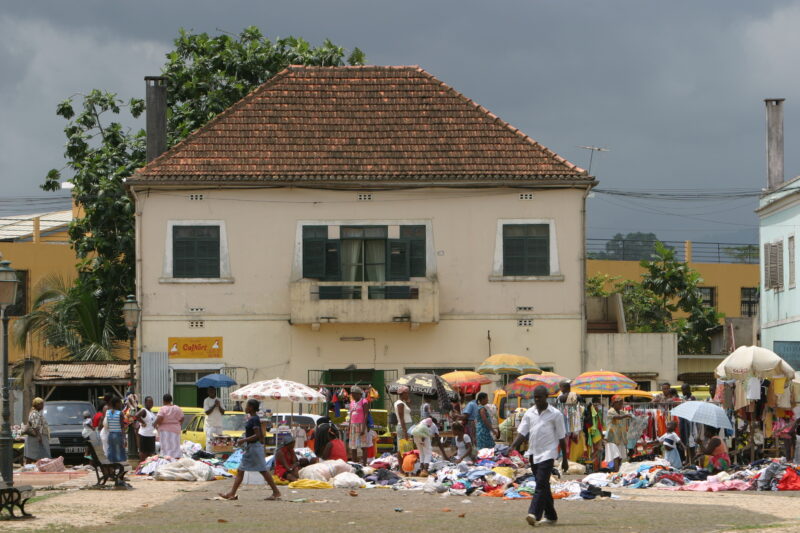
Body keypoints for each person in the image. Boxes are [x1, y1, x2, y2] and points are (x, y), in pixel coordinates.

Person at [512, 385, 568, 527]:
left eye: (540, 397)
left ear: (546, 397)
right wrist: (512, 446)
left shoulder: (556, 414)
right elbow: (522, 433)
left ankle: (534, 514)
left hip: (548, 454)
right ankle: (551, 515)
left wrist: (565, 459)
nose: (537, 400)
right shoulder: (529, 413)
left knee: (541, 484)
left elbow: (562, 438)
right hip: (533, 453)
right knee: (544, 486)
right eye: (535, 397)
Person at [219, 399, 281, 501]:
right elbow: (260, 435)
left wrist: (244, 440)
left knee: (262, 470)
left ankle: (276, 491)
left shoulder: (254, 419)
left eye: (247, 406)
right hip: (252, 448)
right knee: (242, 470)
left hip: (254, 448)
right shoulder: (253, 419)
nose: (245, 407)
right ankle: (232, 493)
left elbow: (257, 435)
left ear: (251, 407)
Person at [154, 393, 184, 458]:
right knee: (175, 447)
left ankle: (167, 460)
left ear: (163, 401)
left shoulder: (163, 408)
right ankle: (176, 460)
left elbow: (160, 418)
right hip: (176, 430)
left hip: (165, 431)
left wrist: (156, 424)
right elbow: (182, 418)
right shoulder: (177, 408)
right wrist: (179, 424)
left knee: (166, 448)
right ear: (171, 400)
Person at [347, 386, 371, 465]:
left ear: (359, 394)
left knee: (363, 446)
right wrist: (349, 428)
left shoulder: (364, 401)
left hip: (361, 425)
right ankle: (354, 464)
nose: (352, 396)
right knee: (353, 447)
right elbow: (351, 415)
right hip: (353, 426)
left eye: (354, 394)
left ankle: (364, 464)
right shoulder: (352, 403)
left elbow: (366, 415)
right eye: (352, 394)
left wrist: (364, 427)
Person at [24, 397, 51, 464]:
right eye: (41, 404)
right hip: (35, 437)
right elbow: (35, 426)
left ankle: (33, 468)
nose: (43, 406)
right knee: (32, 455)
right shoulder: (34, 413)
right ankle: (28, 468)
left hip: (37, 436)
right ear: (37, 405)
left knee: (36, 455)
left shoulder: (37, 413)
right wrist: (39, 436)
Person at [606, 396, 632, 463]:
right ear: (614, 403)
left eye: (622, 404)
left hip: (621, 437)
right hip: (612, 437)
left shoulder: (622, 412)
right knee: (615, 455)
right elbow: (617, 417)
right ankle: (616, 471)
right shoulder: (610, 411)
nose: (621, 405)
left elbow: (629, 416)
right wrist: (626, 416)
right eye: (619, 404)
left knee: (620, 455)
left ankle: (618, 470)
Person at [394, 387, 413, 463]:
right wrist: (405, 431)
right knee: (402, 448)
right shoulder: (400, 404)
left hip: (406, 426)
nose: (408, 394)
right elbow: (401, 418)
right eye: (407, 393)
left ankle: (405, 467)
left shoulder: (402, 403)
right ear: (403, 394)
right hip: (404, 427)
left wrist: (408, 402)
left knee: (405, 447)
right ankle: (403, 468)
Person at [105, 396, 127, 463]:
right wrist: (124, 438)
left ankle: (111, 464)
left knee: (111, 450)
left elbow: (107, 423)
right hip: (118, 434)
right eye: (120, 403)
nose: (121, 404)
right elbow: (122, 426)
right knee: (120, 450)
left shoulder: (107, 412)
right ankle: (121, 464)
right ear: (117, 403)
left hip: (110, 434)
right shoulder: (120, 413)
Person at [135, 396, 157, 461]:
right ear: (145, 403)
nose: (151, 404)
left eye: (152, 402)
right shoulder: (144, 410)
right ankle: (141, 469)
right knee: (143, 454)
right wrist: (143, 422)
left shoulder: (151, 412)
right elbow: (136, 416)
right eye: (149, 402)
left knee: (151, 454)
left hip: (151, 435)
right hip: (144, 435)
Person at [203, 387, 225, 453]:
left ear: (215, 391)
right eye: (209, 391)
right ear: (208, 392)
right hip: (210, 425)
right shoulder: (206, 400)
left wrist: (219, 406)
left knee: (219, 443)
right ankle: (209, 455)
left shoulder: (219, 400)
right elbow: (207, 412)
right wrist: (214, 405)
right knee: (210, 443)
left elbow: (223, 412)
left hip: (219, 425)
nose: (211, 392)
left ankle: (218, 455)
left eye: (212, 391)